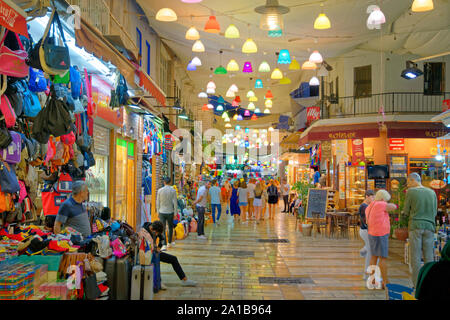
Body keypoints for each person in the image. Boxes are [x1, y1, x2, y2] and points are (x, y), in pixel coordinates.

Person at [403, 172, 438, 288]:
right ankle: (430, 283)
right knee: (429, 256)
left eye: (408, 182)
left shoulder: (411, 192)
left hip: (415, 226)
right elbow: (435, 211)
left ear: (413, 180)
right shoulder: (432, 192)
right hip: (430, 226)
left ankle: (417, 284)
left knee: (415, 256)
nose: (408, 185)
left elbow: (406, 211)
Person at [142, 221, 197, 287]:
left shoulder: (155, 228)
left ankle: (184, 280)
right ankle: (158, 282)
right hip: (146, 254)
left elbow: (162, 239)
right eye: (156, 233)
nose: (156, 235)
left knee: (173, 259)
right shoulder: (144, 232)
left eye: (157, 233)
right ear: (151, 229)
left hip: (154, 251)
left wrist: (159, 247)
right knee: (156, 261)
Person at [365, 189, 397, 288]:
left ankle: (373, 280)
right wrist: (387, 203)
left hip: (372, 233)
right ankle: (385, 281)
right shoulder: (381, 204)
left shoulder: (370, 205)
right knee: (383, 258)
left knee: (374, 256)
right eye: (386, 200)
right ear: (383, 198)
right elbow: (394, 207)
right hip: (380, 234)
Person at [156, 177, 178, 251]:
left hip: (162, 211)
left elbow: (157, 202)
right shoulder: (173, 191)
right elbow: (175, 203)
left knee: (163, 228)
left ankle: (164, 244)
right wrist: (175, 213)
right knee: (170, 227)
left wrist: (158, 211)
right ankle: (169, 242)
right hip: (170, 211)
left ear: (164, 182)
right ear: (170, 182)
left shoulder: (160, 191)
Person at [358, 189, 375, 280]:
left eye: (374, 197)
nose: (373, 198)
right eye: (372, 197)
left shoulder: (367, 205)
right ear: (367, 196)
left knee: (369, 248)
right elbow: (366, 221)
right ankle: (366, 273)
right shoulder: (364, 206)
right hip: (366, 231)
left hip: (365, 230)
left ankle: (363, 250)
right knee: (371, 252)